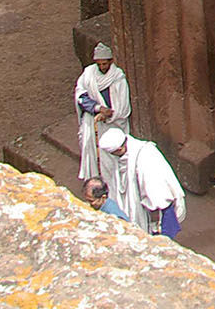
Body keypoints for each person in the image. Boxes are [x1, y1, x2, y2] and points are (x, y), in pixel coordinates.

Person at [98, 126, 187, 238]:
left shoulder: (145, 157)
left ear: (120, 149)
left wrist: (154, 225)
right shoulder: (124, 155)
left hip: (159, 211)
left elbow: (157, 197)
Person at [74, 44, 130, 182]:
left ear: (110, 62)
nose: (102, 67)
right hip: (94, 119)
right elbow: (81, 95)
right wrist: (97, 108)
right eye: (99, 64)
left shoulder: (118, 77)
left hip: (113, 122)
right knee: (91, 149)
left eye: (105, 64)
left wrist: (108, 114)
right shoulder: (88, 74)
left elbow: (122, 106)